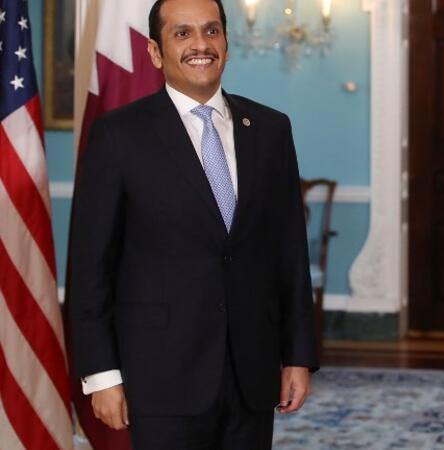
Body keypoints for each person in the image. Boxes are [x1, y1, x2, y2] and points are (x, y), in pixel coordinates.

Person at [68, 0, 317, 448]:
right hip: (161, 374)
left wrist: (297, 355)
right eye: (182, 33)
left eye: (211, 30)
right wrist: (101, 374)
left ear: (226, 42)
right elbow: (90, 268)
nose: (200, 44)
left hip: (252, 373)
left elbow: (290, 254)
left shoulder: (270, 129)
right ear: (155, 52)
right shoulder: (119, 135)